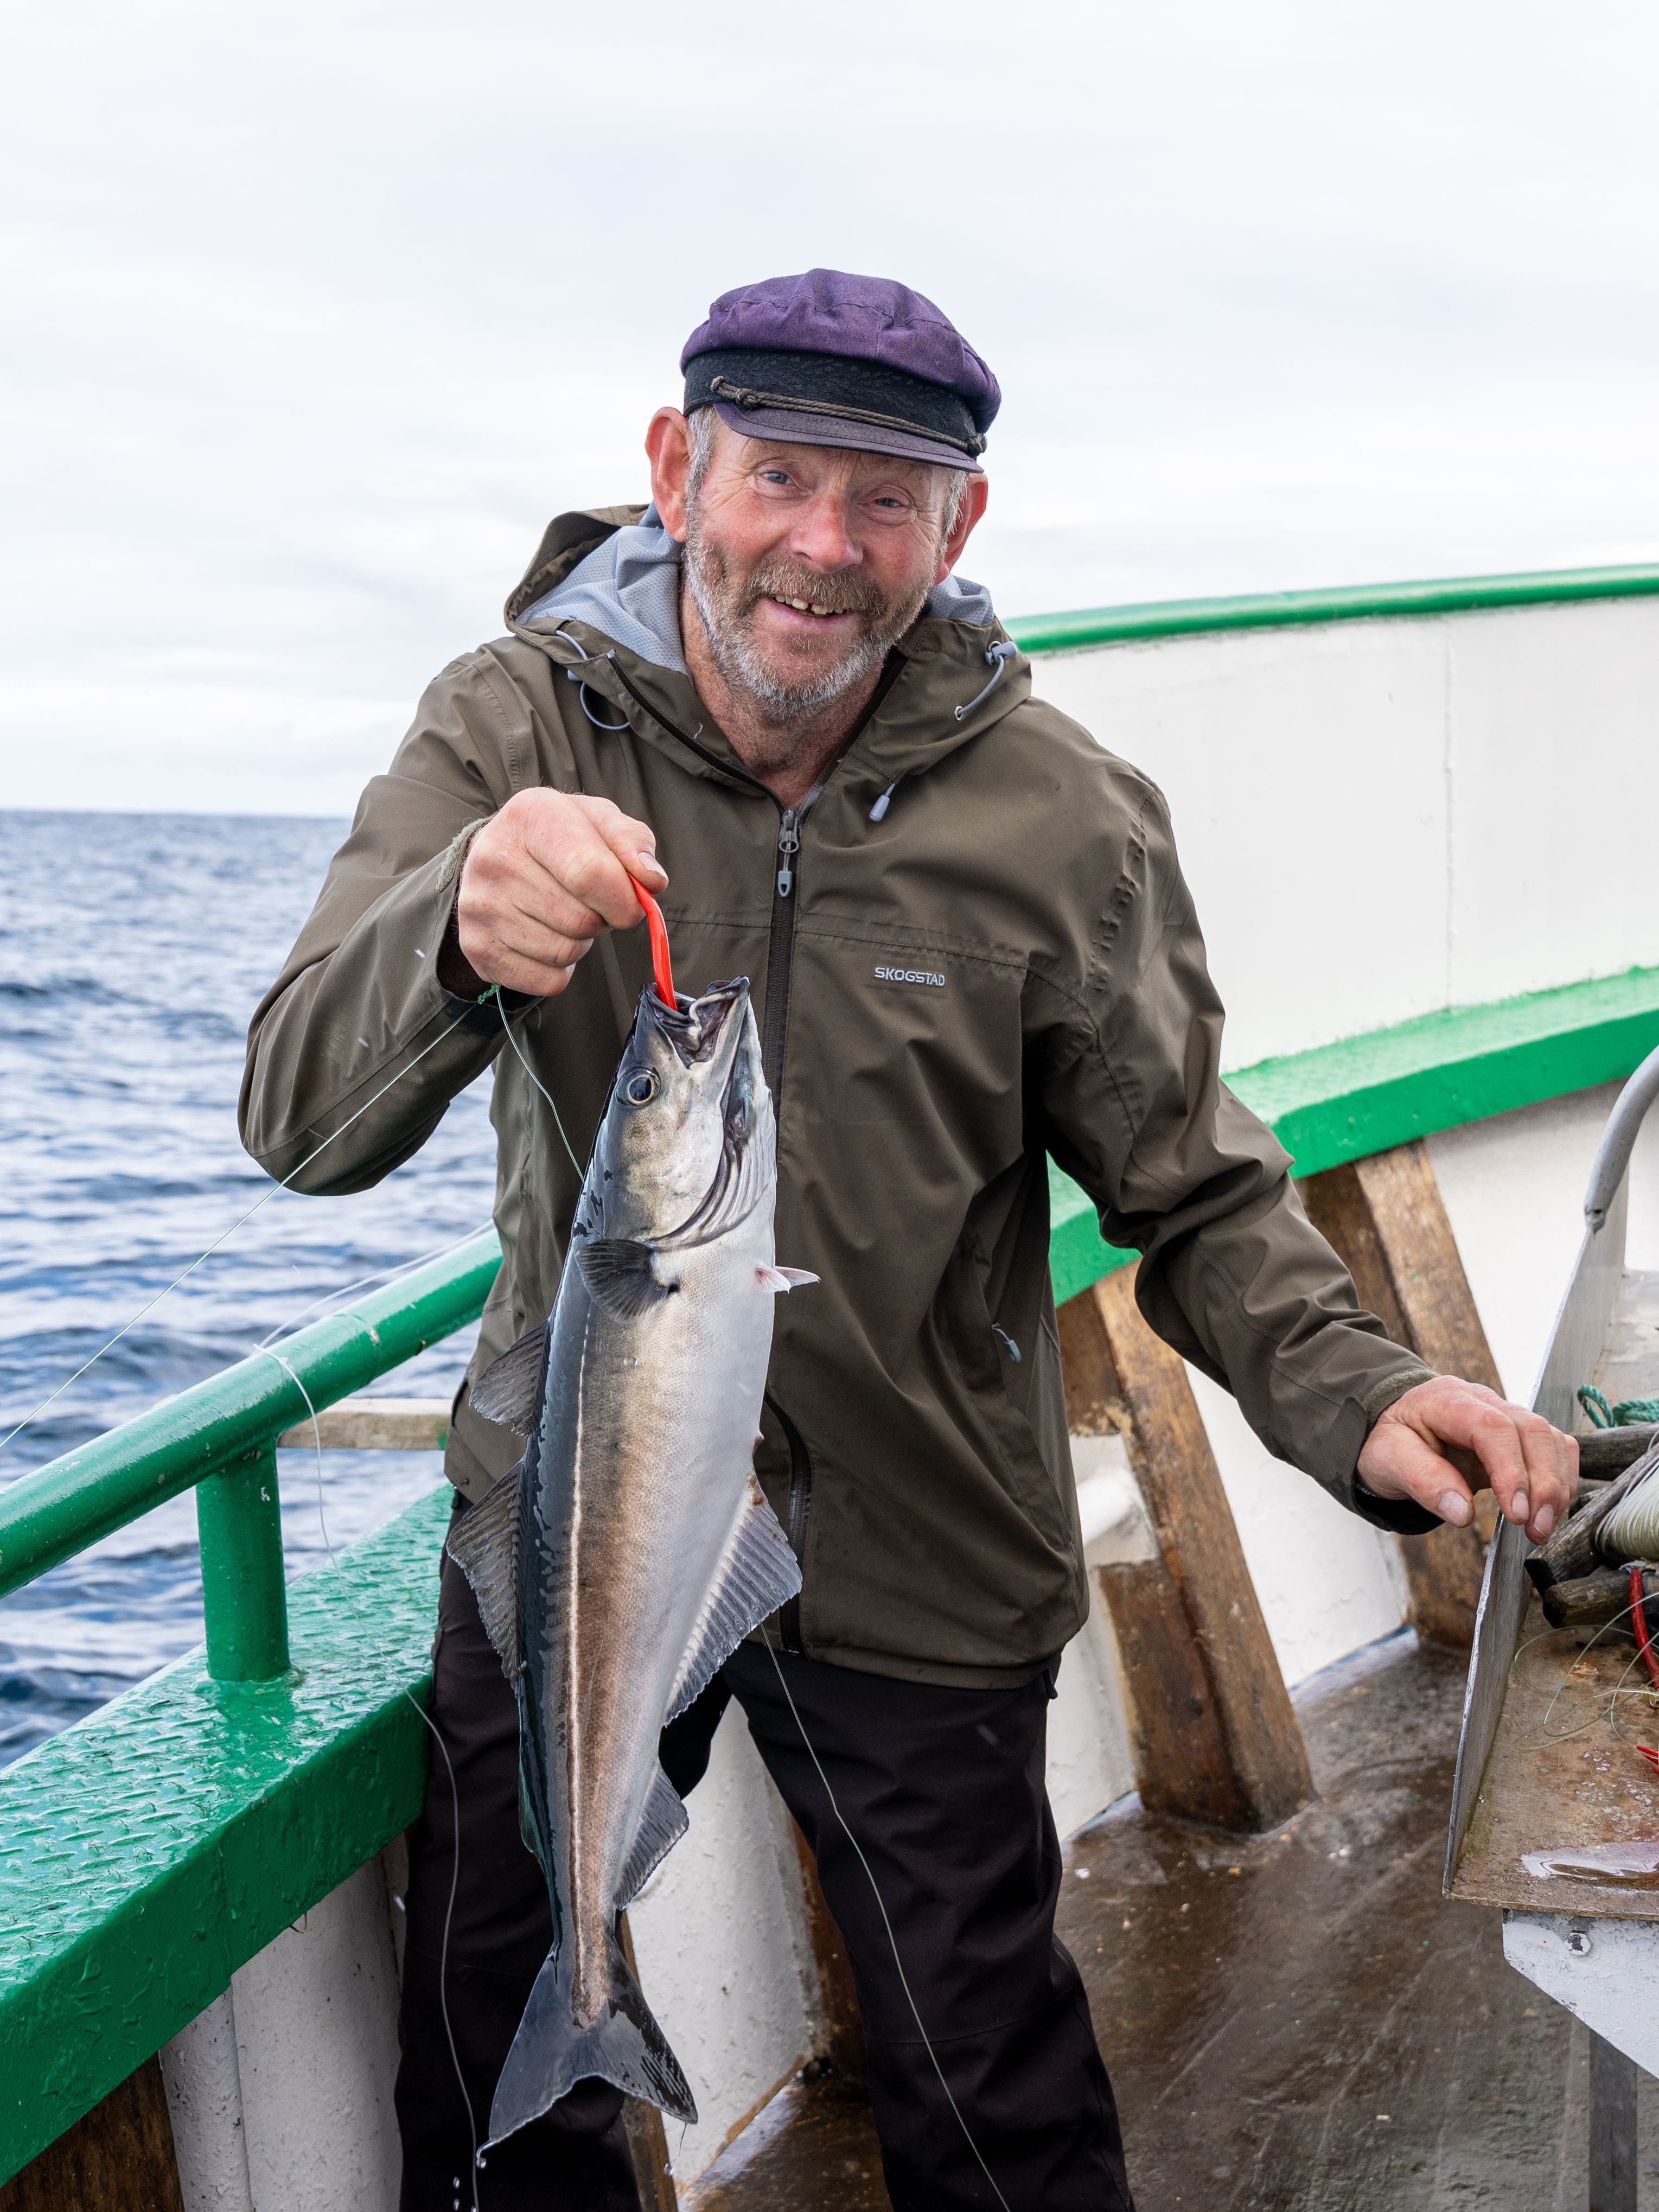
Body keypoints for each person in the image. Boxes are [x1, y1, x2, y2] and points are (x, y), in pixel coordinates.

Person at [240, 268, 1579, 2212]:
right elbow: (299, 1116)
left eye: (887, 498)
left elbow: (1192, 1191)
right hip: (583, 1517)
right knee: (495, 2060)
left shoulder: (1062, 817)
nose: (821, 545)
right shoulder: (512, 726)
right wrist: (450, 921)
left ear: (958, 529)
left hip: (926, 1534)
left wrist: (1355, 1391)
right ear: (671, 470)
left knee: (990, 2078)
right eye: (777, 474)